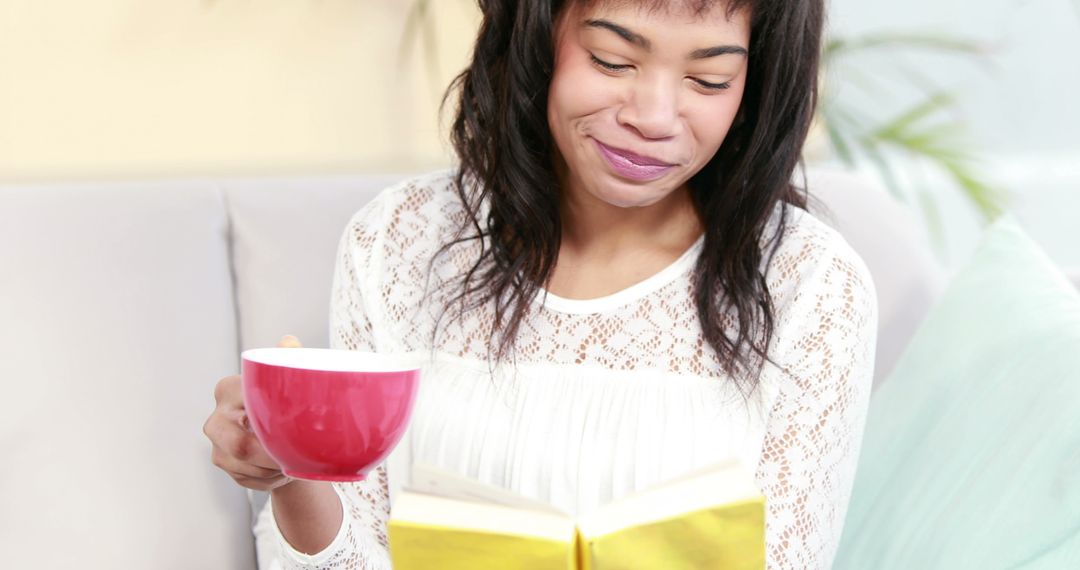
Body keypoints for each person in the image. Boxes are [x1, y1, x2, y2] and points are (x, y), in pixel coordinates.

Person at [203, 0, 878, 568]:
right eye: (613, 60)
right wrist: (292, 474)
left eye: (709, 80)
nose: (654, 116)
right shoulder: (399, 240)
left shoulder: (811, 284)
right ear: (537, 38)